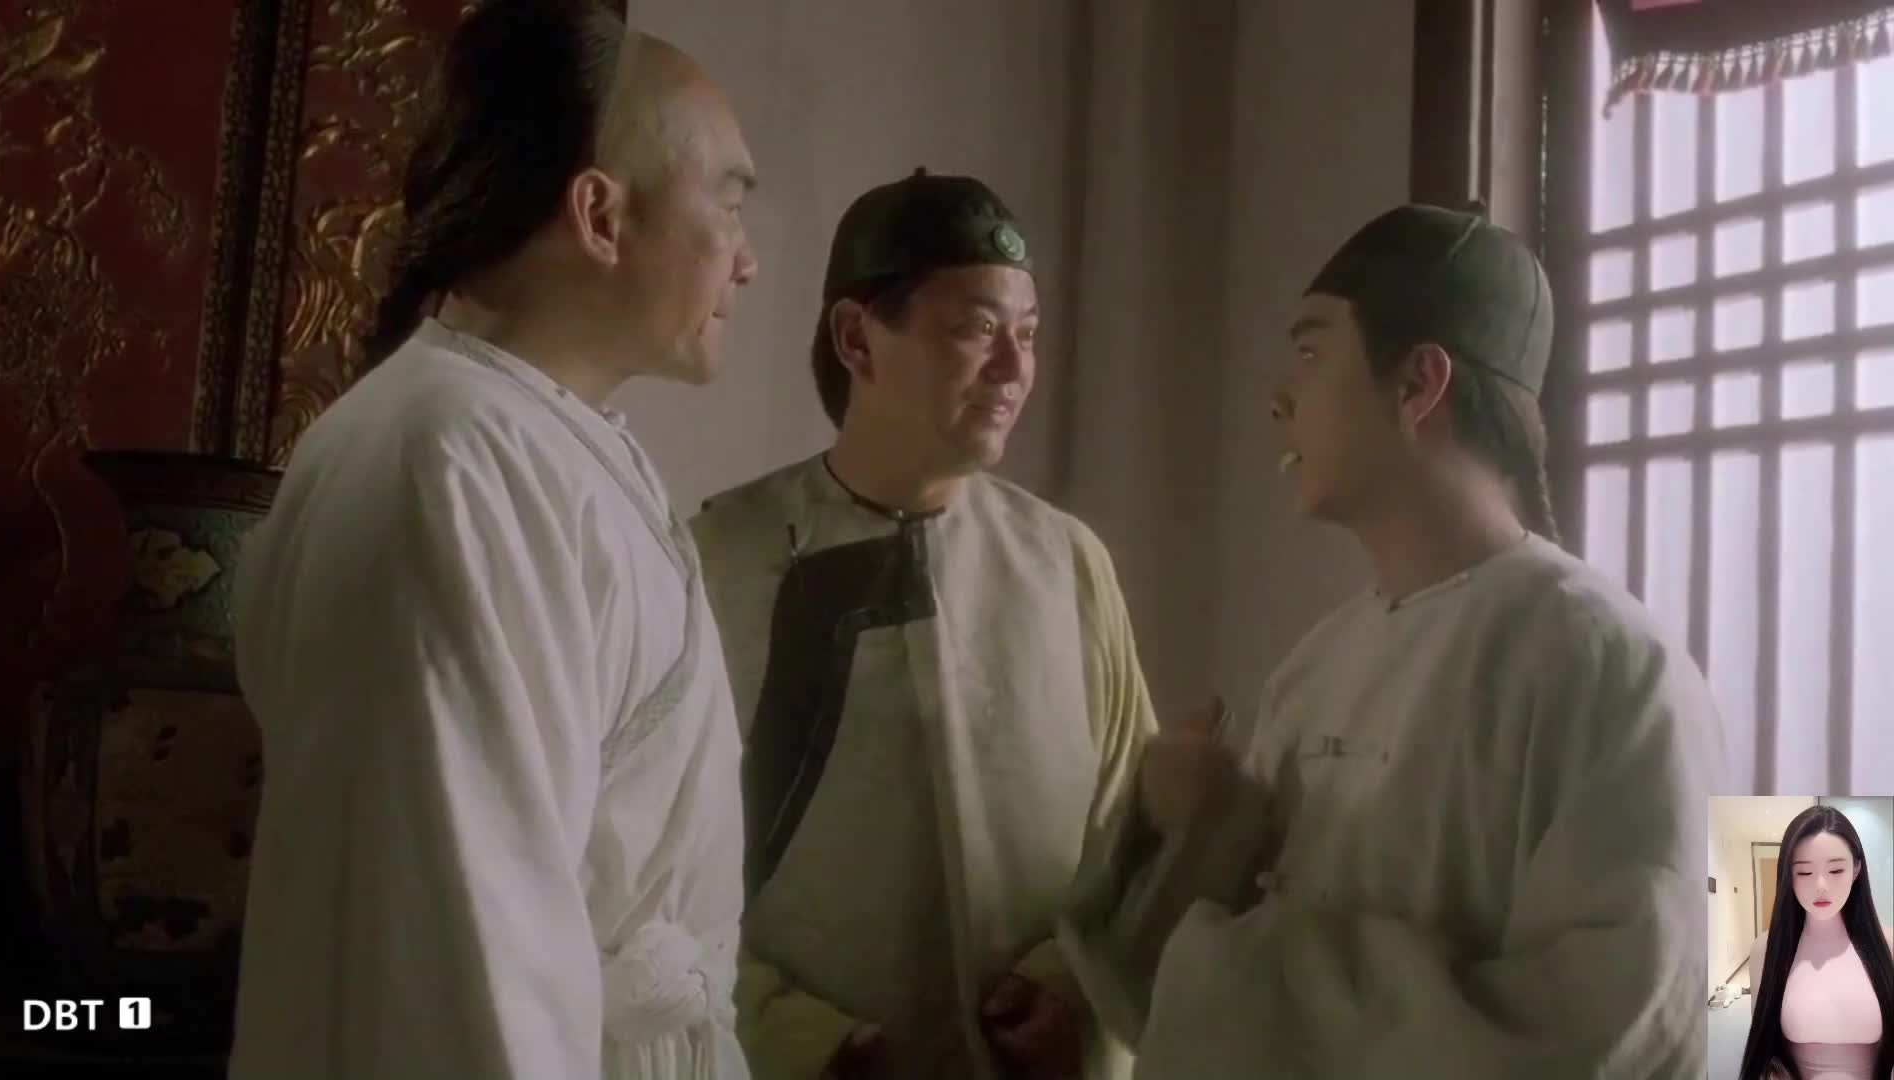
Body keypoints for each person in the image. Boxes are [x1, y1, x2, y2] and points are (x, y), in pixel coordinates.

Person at [1062, 204, 1726, 1079]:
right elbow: (1170, 1012)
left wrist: (1252, 973)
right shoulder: (1313, 667)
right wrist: (1189, 828)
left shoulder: (1611, 664)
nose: (1277, 397)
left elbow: (1626, 1032)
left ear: (1418, 383)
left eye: (1311, 352)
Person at [225, 3, 760, 1077]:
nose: (745, 263)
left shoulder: (530, 445)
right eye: (730, 201)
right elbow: (470, 949)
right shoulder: (455, 463)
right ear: (601, 215)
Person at [689, 168, 1154, 1080]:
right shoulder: (717, 561)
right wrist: (801, 1042)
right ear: (857, 338)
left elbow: (1131, 827)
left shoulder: (1065, 562)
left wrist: (1072, 985)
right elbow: (644, 872)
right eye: (976, 329)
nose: (1015, 369)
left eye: (1027, 334)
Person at [1739, 805, 1894, 1080]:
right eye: (1804, 873)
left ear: (1856, 869)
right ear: (1788, 877)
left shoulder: (1889, 944)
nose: (1821, 885)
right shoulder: (1766, 949)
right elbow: (1764, 1048)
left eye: (1835, 870)